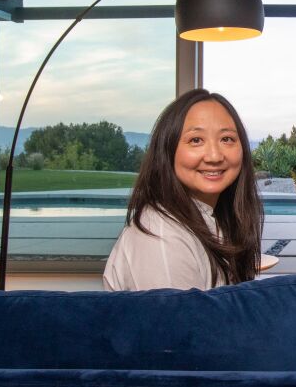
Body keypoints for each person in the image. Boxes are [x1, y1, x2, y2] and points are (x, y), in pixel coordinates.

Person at [103, 89, 262, 292]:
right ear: (167, 150)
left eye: (227, 139)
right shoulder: (161, 236)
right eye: (196, 140)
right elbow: (180, 323)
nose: (214, 156)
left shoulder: (212, 218)